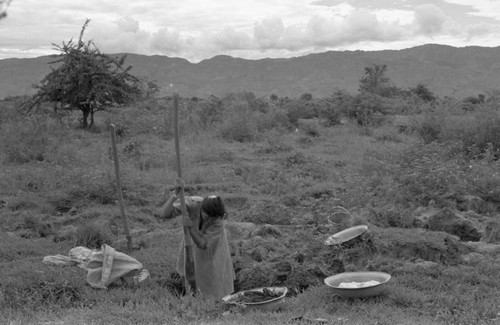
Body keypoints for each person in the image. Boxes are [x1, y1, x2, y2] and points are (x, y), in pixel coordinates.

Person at [158, 185, 235, 299]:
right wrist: (174, 196)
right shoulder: (193, 204)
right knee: (193, 275)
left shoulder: (218, 221)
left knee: (214, 277)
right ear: (202, 208)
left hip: (213, 249)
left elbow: (203, 244)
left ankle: (217, 302)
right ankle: (194, 299)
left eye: (212, 219)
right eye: (207, 216)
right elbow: (164, 214)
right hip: (192, 248)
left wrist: (191, 228)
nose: (209, 220)